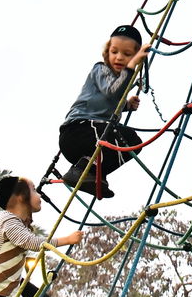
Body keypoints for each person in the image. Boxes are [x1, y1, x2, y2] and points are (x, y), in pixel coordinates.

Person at [57, 25, 151, 198]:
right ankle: (82, 170)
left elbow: (107, 101)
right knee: (124, 136)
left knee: (132, 143)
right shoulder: (100, 69)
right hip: (77, 132)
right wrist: (132, 65)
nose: (119, 57)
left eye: (127, 54)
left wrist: (126, 105)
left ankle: (93, 174)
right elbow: (111, 91)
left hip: (92, 139)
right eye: (114, 51)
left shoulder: (120, 82)